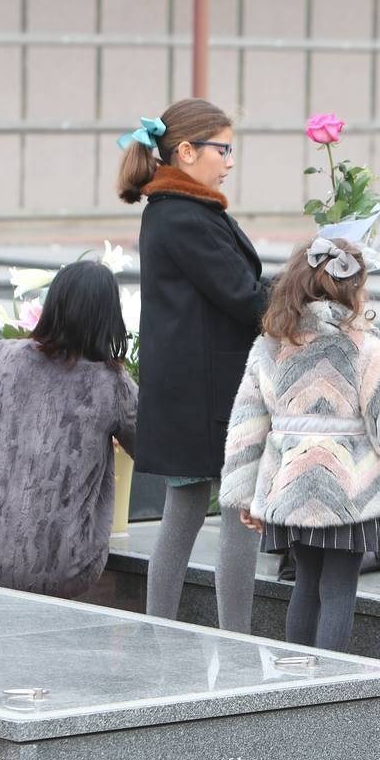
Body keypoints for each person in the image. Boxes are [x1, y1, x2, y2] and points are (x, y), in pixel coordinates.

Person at [219, 239, 380, 652]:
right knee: (338, 589)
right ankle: (330, 685)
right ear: (352, 290)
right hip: (350, 491)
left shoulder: (270, 344)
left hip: (289, 485)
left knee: (305, 583)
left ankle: (298, 679)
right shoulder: (364, 347)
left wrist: (245, 494)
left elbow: (247, 424)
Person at [118, 97, 268, 634]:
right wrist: (304, 283)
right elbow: (245, 297)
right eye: (222, 149)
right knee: (237, 512)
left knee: (183, 515)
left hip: (189, 391)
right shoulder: (186, 215)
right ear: (185, 151)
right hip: (210, 394)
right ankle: (236, 643)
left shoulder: (173, 209)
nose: (229, 161)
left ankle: (161, 633)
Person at [0, 261, 138, 599]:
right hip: (57, 567)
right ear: (109, 319)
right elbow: (149, 448)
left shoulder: (1, 356)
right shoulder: (111, 385)